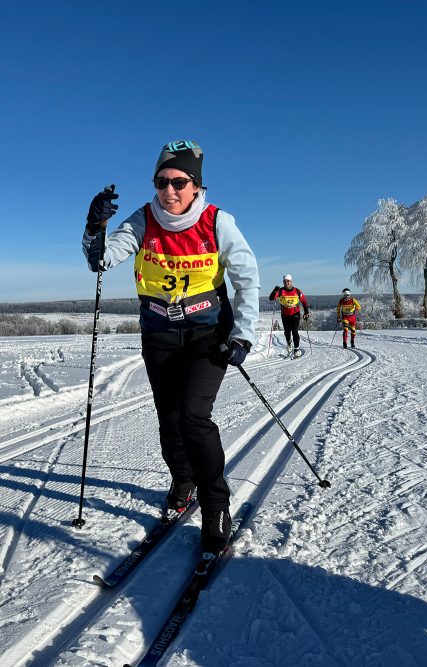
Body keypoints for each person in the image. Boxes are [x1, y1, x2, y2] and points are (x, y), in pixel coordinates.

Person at [82, 139, 260, 554]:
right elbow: (101, 260)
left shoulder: (218, 221)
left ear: (196, 185)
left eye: (179, 182)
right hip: (159, 333)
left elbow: (247, 277)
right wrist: (94, 226)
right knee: (170, 418)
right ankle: (183, 483)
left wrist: (243, 335)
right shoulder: (143, 220)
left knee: (195, 416)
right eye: (162, 181)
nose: (170, 190)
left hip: (208, 333)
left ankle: (216, 504)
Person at [268, 274, 309, 358]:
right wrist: (274, 291)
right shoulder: (280, 291)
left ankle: (296, 350)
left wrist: (306, 312)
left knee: (295, 331)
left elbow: (304, 302)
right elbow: (271, 298)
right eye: (285, 281)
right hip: (285, 314)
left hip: (295, 313)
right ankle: (289, 343)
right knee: (287, 332)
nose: (286, 282)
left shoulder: (297, 291)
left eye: (288, 281)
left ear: (291, 281)